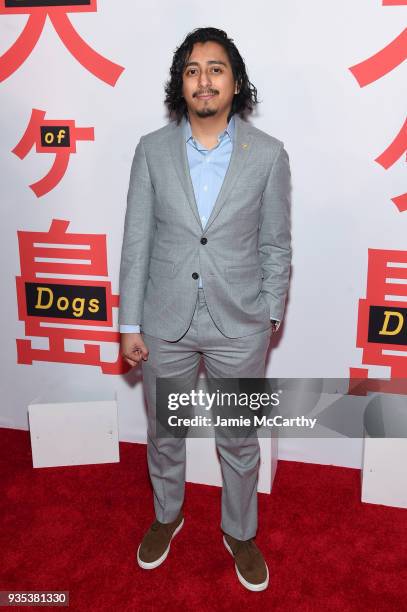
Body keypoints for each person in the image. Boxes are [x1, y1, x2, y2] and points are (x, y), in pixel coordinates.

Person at [119, 26, 292, 592]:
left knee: (238, 437)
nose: (204, 79)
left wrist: (268, 313)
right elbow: (136, 240)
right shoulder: (151, 150)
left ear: (235, 82)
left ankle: (240, 532)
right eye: (192, 70)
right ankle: (167, 516)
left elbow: (276, 245)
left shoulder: (268, 155)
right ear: (181, 83)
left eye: (216, 68)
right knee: (165, 431)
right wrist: (130, 323)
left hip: (239, 323)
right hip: (165, 321)